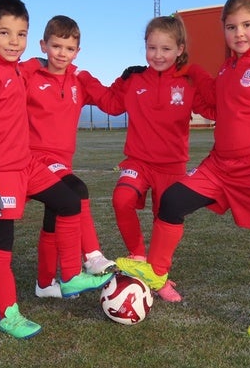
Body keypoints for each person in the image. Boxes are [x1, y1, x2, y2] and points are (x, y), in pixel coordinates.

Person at [116, 0, 250, 338]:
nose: (239, 33)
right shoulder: (228, 69)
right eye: (231, 27)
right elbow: (214, 107)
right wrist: (192, 76)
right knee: (173, 201)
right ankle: (156, 271)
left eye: (247, 25)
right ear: (223, 30)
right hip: (219, 166)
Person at [0, 0, 112, 339]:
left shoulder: (13, 68)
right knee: (1, 245)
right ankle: (8, 314)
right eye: (4, 33)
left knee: (71, 199)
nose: (14, 42)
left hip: (26, 165)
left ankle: (70, 276)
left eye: (21, 34)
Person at [89, 15, 215, 302]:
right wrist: (86, 79)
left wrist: (201, 76)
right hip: (138, 161)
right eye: (151, 48)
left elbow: (215, 108)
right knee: (121, 199)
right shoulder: (134, 80)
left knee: (166, 219)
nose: (158, 55)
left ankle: (159, 276)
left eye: (166, 49)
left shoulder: (188, 82)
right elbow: (110, 103)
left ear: (180, 49)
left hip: (172, 167)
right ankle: (138, 256)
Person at [21, 15, 115, 299]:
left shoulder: (79, 80)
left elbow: (112, 103)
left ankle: (44, 284)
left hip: (62, 162)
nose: (62, 53)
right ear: (43, 45)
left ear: (77, 51)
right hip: (35, 158)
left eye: (69, 48)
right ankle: (91, 257)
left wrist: (130, 79)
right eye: (56, 46)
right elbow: (2, 93)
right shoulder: (30, 76)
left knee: (55, 216)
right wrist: (26, 67)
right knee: (77, 190)